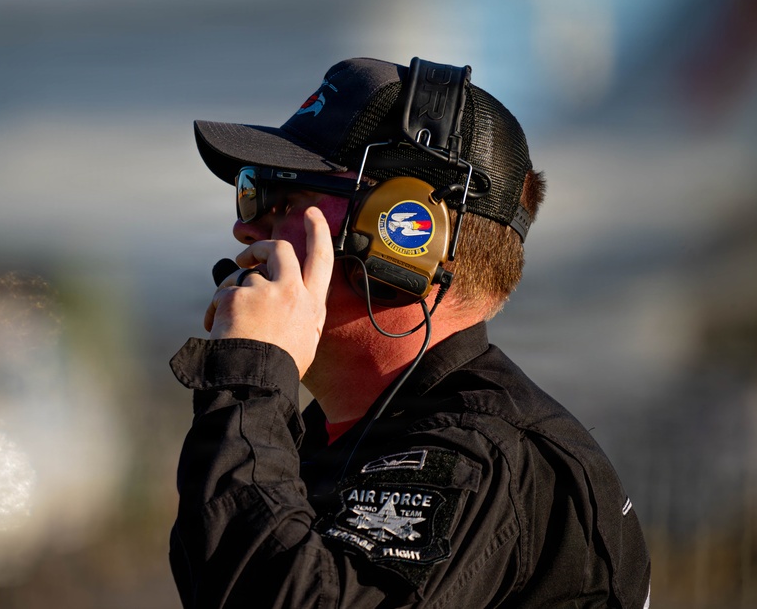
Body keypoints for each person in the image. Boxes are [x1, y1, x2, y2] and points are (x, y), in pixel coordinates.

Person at [169, 57, 651, 608]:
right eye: (251, 190)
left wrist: (251, 374)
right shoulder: (336, 438)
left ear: (401, 234)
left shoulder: (476, 453)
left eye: (284, 197)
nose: (246, 225)